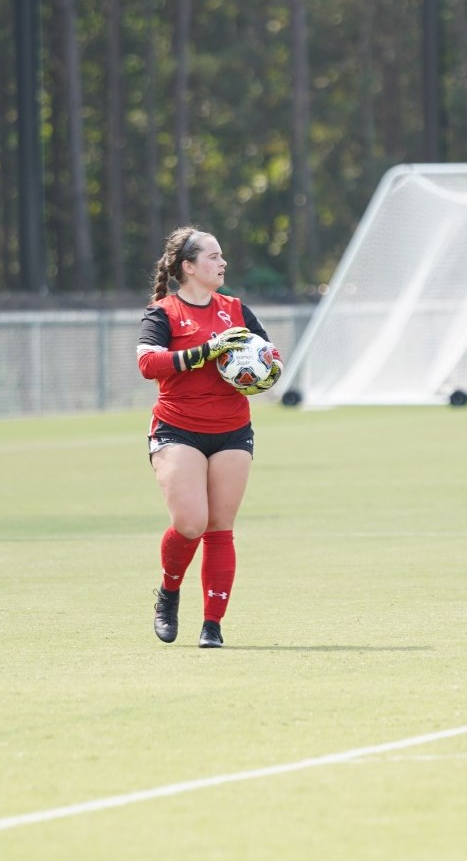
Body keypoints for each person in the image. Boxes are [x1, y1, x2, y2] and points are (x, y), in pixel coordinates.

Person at [135, 227, 281, 648]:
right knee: (191, 522)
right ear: (189, 266)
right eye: (213, 256)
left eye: (222, 256)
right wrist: (206, 351)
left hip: (232, 430)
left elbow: (268, 356)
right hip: (178, 428)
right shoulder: (163, 313)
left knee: (219, 527)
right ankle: (169, 592)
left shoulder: (236, 309)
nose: (222, 263)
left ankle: (212, 626)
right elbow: (148, 364)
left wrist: (264, 371)